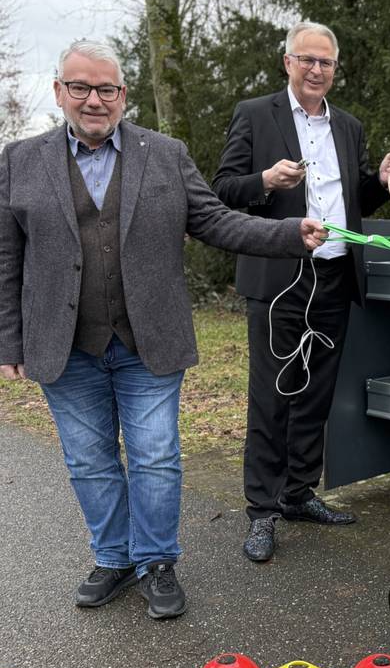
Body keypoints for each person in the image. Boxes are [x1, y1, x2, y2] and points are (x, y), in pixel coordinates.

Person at [0, 40, 328, 618]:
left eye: (107, 88)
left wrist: (285, 234)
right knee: (89, 461)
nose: (94, 99)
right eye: (81, 87)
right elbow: (8, 258)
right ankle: (113, 557)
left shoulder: (165, 154)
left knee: (154, 456)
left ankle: (155, 562)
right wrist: (8, 340)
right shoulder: (19, 161)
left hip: (149, 338)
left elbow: (215, 220)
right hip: (63, 343)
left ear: (123, 94)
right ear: (58, 91)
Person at [212, 21, 390, 564]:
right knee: (272, 395)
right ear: (288, 62)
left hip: (336, 274)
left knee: (316, 393)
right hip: (279, 276)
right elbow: (223, 191)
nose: (316, 69)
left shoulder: (348, 126)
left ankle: (297, 493)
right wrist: (265, 181)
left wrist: (381, 180)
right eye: (307, 60)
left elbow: (356, 197)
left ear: (334, 69)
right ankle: (262, 510)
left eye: (325, 62)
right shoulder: (256, 115)